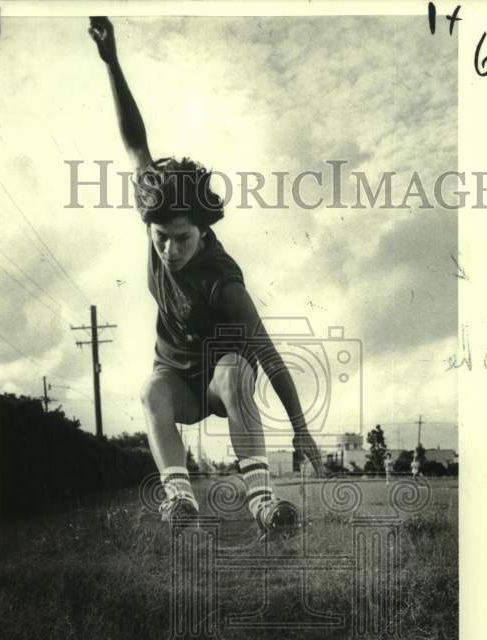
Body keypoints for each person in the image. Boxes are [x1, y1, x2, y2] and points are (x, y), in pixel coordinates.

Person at [88, 17, 325, 539]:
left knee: (237, 370)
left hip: (221, 384)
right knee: (151, 386)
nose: (170, 251)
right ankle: (180, 502)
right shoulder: (157, 216)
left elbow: (267, 354)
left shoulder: (222, 281)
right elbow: (134, 142)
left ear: (202, 230)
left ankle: (262, 503)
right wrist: (112, 62)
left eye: (182, 239)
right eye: (161, 239)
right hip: (180, 386)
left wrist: (302, 430)